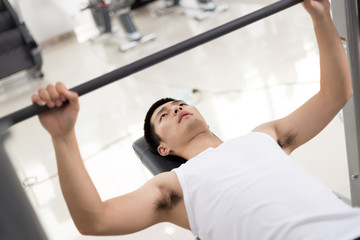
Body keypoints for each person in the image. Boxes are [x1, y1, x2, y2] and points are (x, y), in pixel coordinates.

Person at [32, 0, 360, 239]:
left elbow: (336, 93)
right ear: (162, 150)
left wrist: (321, 18)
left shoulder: (264, 136)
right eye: (164, 115)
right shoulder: (175, 187)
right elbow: (95, 220)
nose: (176, 108)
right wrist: (64, 136)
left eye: (179, 103)